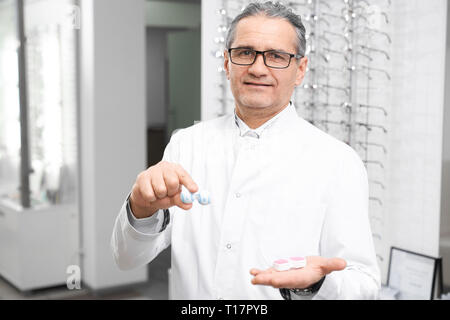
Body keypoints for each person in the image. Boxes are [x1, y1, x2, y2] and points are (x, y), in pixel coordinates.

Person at [111, 1, 381, 300]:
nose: (257, 68)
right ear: (227, 63)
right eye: (245, 53)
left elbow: (364, 284)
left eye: (276, 56)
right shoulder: (187, 145)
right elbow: (126, 258)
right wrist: (141, 209)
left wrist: (316, 285)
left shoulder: (337, 161)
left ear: (300, 69)